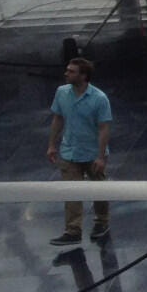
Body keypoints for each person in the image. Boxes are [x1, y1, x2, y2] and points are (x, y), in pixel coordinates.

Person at [46, 56, 111, 246]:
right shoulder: (61, 92)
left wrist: (100, 156)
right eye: (67, 70)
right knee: (71, 192)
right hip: (69, 152)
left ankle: (102, 221)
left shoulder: (99, 98)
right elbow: (58, 118)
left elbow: (104, 128)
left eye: (71, 71)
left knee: (98, 191)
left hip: (92, 153)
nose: (66, 74)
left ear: (83, 76)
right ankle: (72, 230)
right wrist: (52, 144)